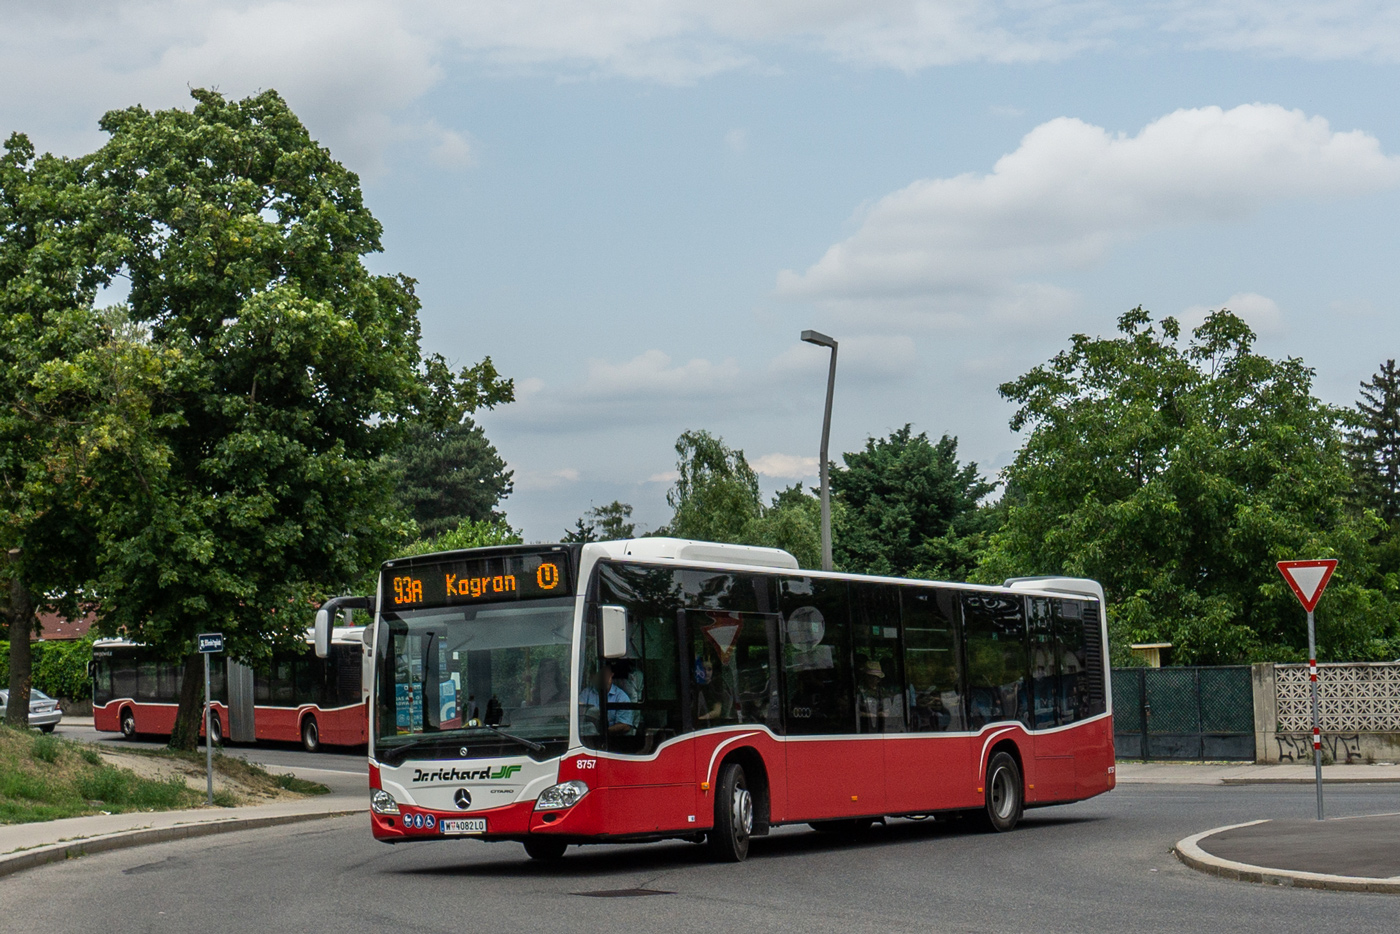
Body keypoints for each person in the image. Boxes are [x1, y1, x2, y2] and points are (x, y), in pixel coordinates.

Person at [579, 662, 636, 735]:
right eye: (599, 675)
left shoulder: (621, 697)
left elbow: (625, 725)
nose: (602, 678)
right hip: (586, 736)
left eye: (605, 675)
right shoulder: (586, 693)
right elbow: (579, 711)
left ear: (611, 675)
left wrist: (602, 732)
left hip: (611, 738)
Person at [856, 658, 902, 733]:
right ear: (866, 677)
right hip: (864, 727)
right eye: (871, 677)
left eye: (876, 678)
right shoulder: (859, 691)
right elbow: (855, 712)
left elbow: (890, 707)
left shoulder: (882, 691)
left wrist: (885, 712)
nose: (874, 680)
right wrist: (869, 715)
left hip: (882, 727)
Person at [694, 654, 731, 723]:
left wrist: (699, 719)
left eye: (709, 669)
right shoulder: (696, 686)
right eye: (703, 669)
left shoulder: (716, 687)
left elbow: (716, 712)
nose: (706, 672)